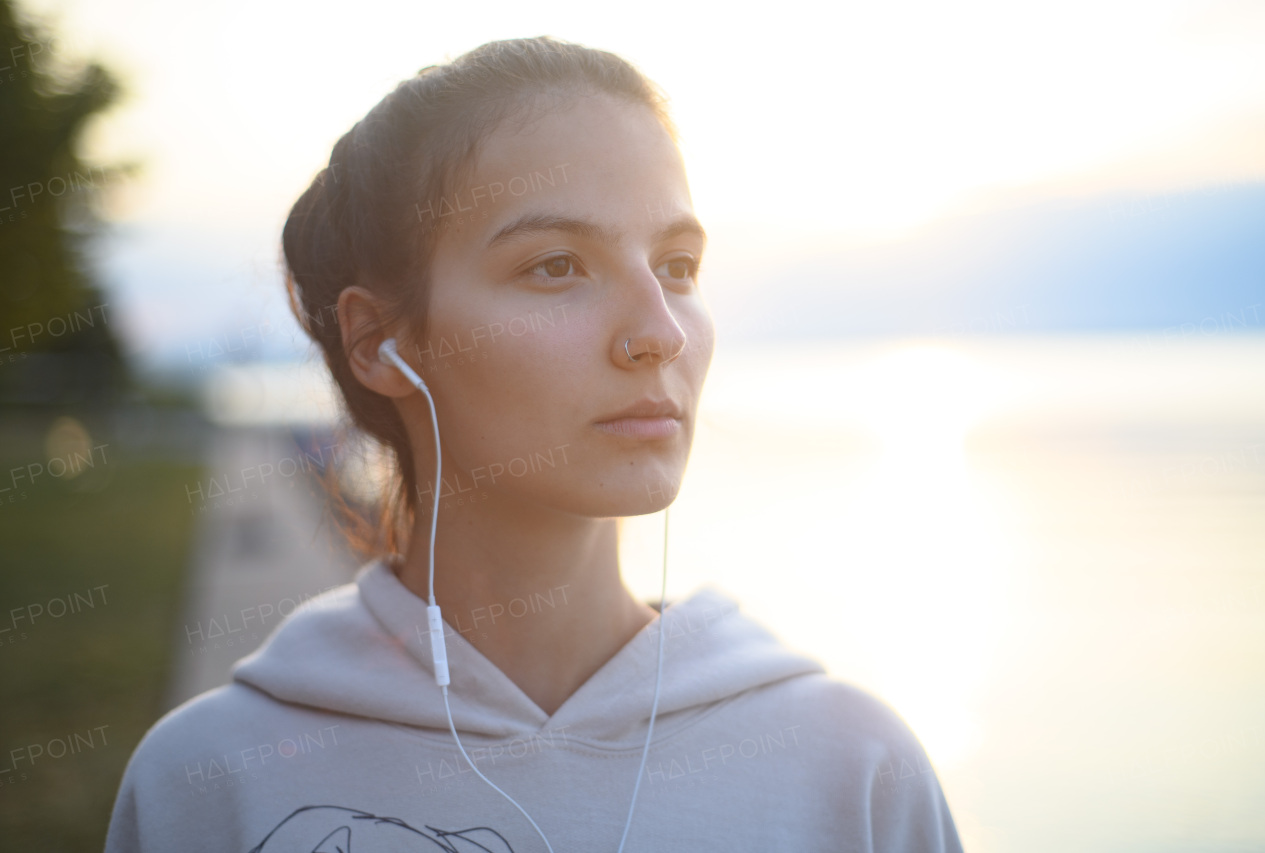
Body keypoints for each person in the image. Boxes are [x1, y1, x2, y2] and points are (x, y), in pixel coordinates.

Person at [104, 36, 964, 852]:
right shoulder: (208, 783)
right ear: (380, 343)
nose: (659, 332)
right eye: (557, 265)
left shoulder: (852, 770)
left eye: (677, 266)